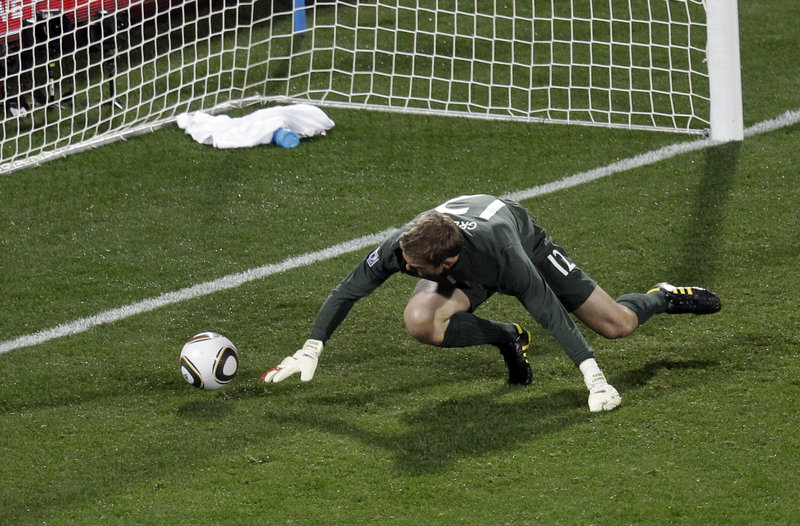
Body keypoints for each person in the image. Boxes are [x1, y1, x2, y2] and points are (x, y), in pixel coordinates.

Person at [261, 194, 721, 411]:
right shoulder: (405, 247)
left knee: (616, 325)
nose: (402, 267)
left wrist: (595, 380)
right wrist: (310, 349)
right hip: (469, 266)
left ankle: (661, 297)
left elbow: (550, 314)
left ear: (446, 262)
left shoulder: (508, 256)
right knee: (420, 318)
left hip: (527, 246)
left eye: (414, 267)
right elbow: (348, 290)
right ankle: (505, 338)